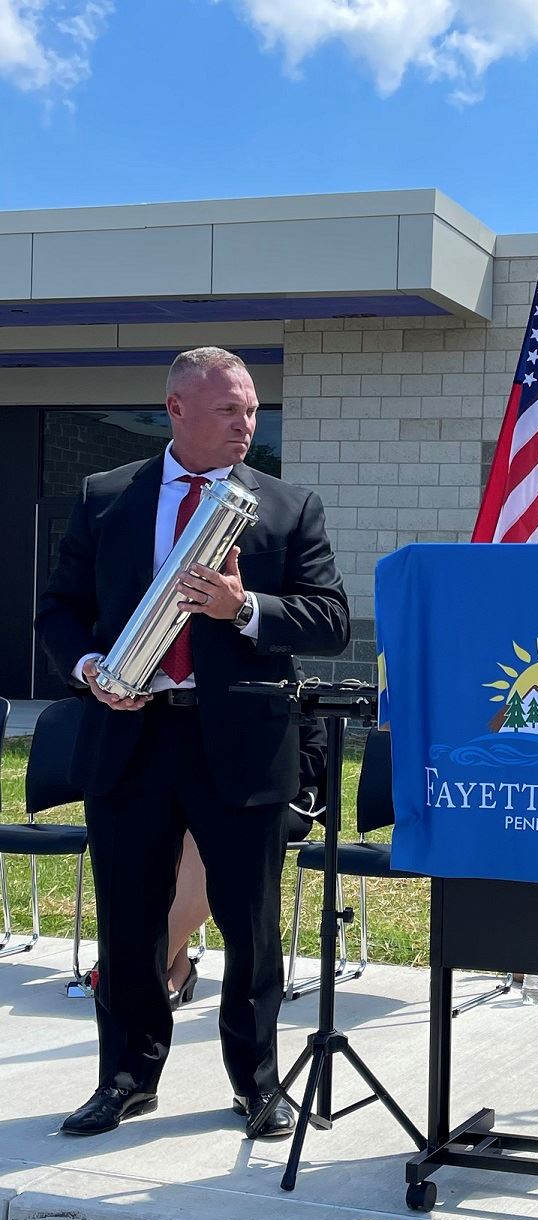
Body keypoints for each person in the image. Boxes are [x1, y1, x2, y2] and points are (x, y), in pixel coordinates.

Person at [36, 347, 350, 1139]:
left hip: (240, 743)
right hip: (130, 737)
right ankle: (126, 1078)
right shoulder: (108, 498)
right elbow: (61, 610)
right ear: (176, 408)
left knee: (250, 925)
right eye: (229, 411)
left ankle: (258, 1085)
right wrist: (87, 668)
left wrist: (245, 609)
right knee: (130, 922)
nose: (247, 424)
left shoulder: (284, 505)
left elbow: (330, 618)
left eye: (251, 410)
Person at [165, 709, 327, 1008]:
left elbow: (314, 757)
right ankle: (175, 967)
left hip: (279, 802)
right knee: (181, 827)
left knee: (205, 833)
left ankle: (155, 963)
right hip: (216, 798)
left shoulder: (292, 687)